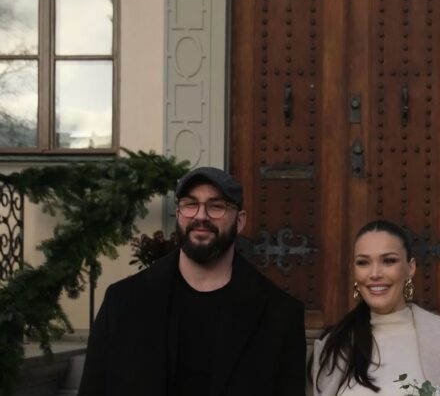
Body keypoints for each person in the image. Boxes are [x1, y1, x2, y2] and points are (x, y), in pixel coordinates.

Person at [79, 167, 306, 396]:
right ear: (178, 214)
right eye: (190, 204)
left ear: (239, 221)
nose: (200, 216)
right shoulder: (123, 302)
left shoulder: (280, 314)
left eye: (216, 206)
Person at [310, 220, 440, 396]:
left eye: (389, 261)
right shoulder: (331, 348)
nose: (375, 273)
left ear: (411, 268)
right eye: (363, 262)